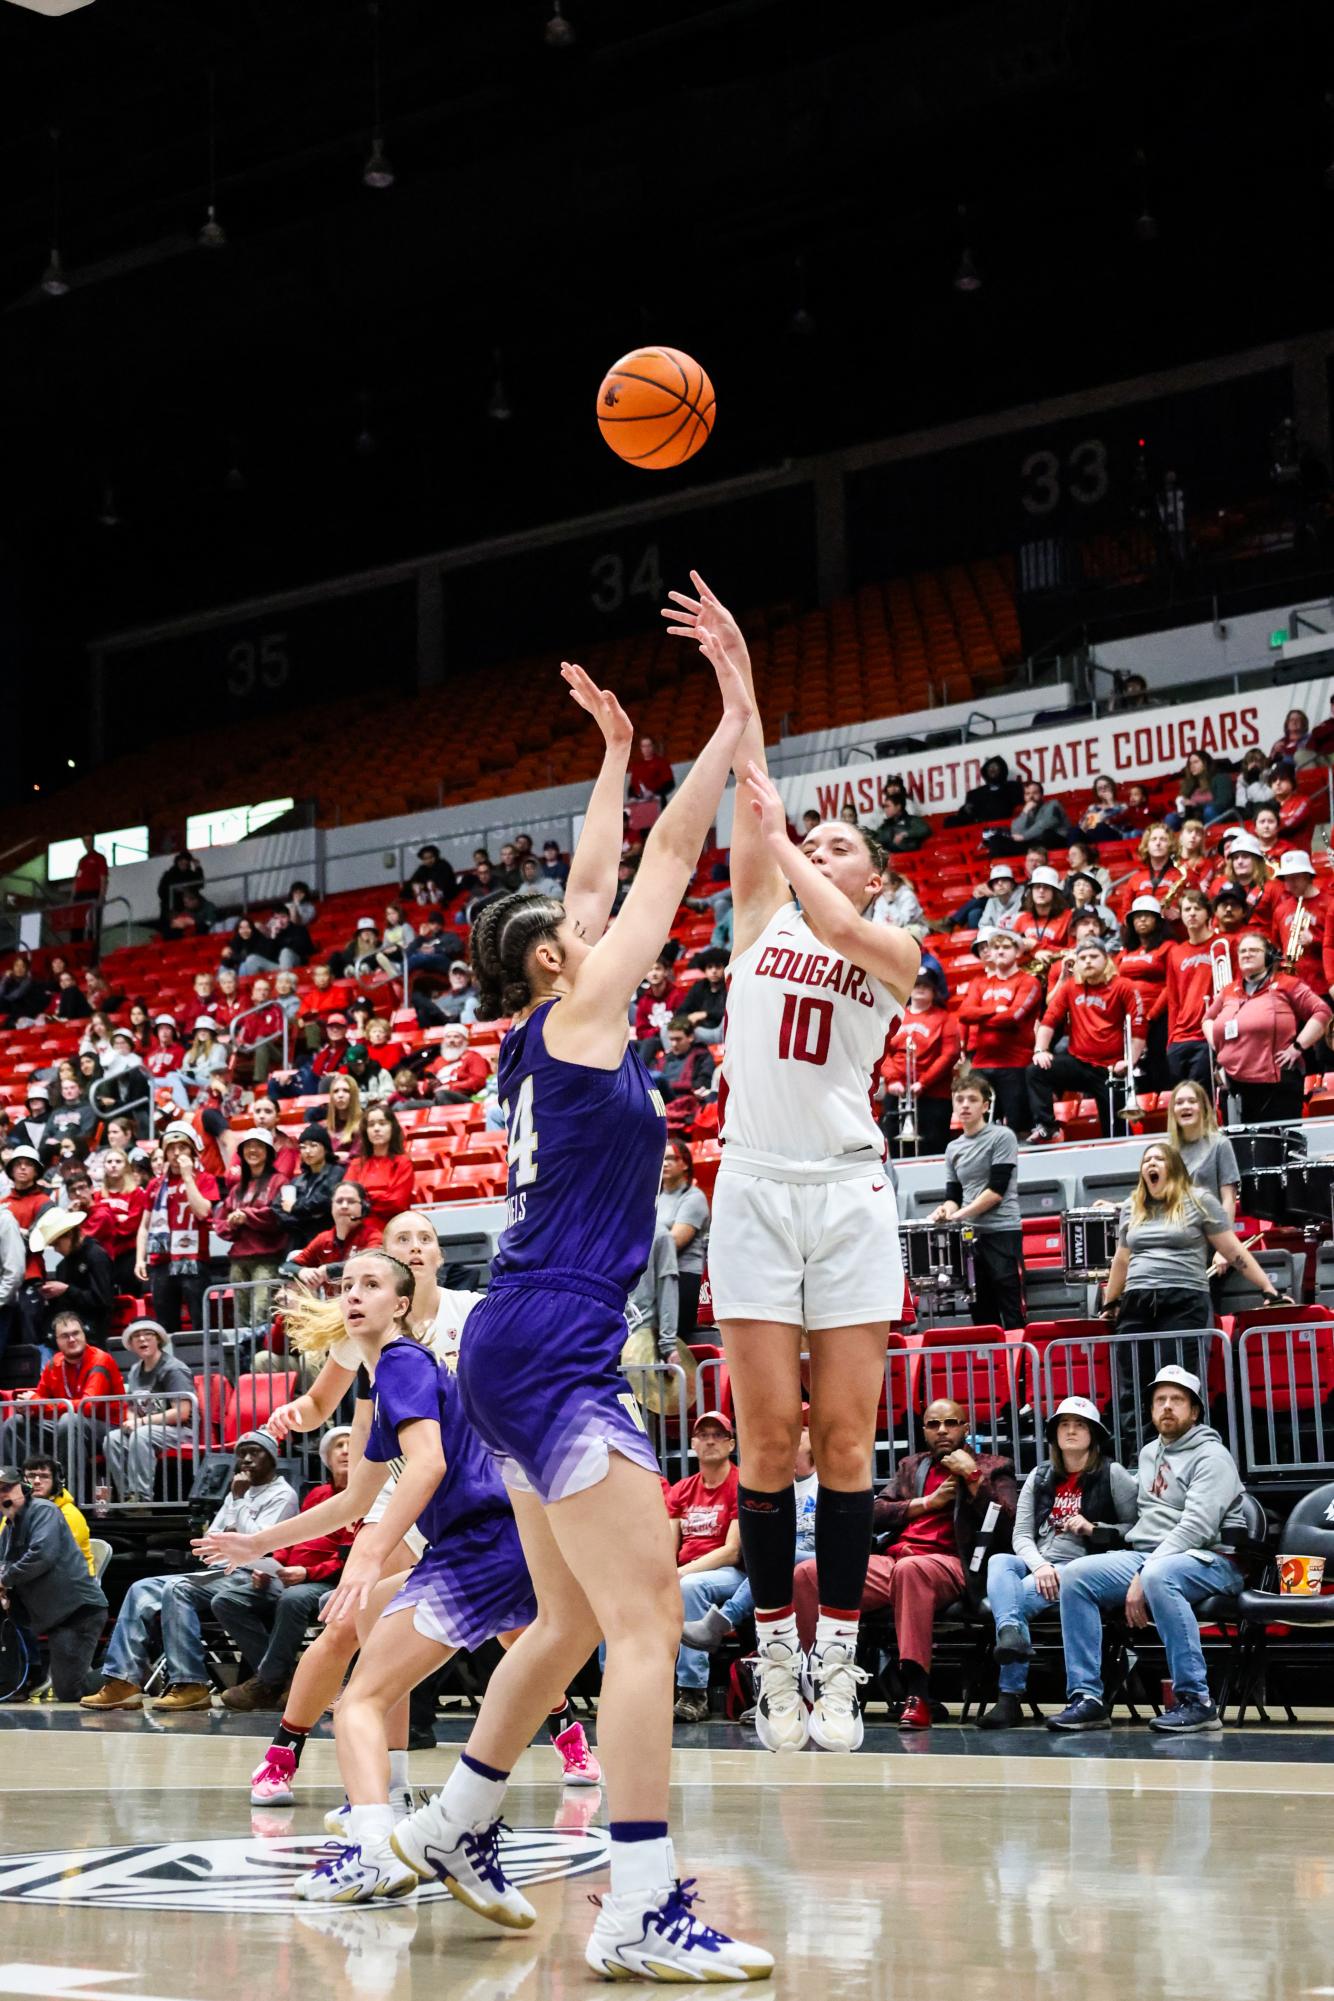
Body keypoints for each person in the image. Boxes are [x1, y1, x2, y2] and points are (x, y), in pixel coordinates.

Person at [390, 647, 773, 1978]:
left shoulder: (535, 1036)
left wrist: (613, 751)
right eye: (567, 921)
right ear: (552, 955)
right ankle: (638, 1904)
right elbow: (660, 866)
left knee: (560, 1624)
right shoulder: (585, 1014)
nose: (586, 917)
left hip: (510, 1331)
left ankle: (451, 1819)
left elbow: (603, 874)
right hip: (551, 1334)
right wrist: (728, 722)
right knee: (645, 1620)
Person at [664, 572, 918, 1763]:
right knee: (766, 1445)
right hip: (755, 1187)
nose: (817, 844)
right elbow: (749, 778)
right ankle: (775, 1653)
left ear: (872, 873)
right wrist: (736, 672)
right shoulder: (761, 917)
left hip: (851, 1194)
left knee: (847, 1446)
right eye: (809, 836)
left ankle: (839, 1667)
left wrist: (788, 843)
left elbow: (820, 889)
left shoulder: (888, 943)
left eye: (842, 842)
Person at [198, 1252, 538, 1905]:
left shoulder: (405, 1361)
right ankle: (457, 1832)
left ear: (402, 1305)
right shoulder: (386, 1384)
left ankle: (376, 1850)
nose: (353, 1294)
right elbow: (355, 1500)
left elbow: (430, 1464)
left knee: (359, 1700)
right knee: (377, 1652)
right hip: (497, 1544)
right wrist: (258, 1543)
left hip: (480, 1543)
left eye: (372, 1284)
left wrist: (370, 1552)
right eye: (346, 1284)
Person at [1047, 1366, 1250, 1735]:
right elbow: (1135, 1510)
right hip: (1149, 1556)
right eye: (1160, 1400)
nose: (1167, 1407)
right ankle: (1088, 1699)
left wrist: (1145, 1572)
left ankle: (1197, 1701)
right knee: (1074, 1575)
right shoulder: (1149, 1452)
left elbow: (1197, 1528)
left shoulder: (1212, 1457)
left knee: (1159, 1575)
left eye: (1177, 1400)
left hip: (1213, 1558)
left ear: (1195, 1411)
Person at [792, 1399, 1017, 1730]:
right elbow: (876, 1512)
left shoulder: (994, 1466)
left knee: (911, 1571)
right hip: (896, 1560)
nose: (942, 1430)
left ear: (966, 1428)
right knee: (807, 1574)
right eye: (933, 1424)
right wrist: (926, 1503)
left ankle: (917, 1694)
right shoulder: (912, 1466)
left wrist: (973, 1478)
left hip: (952, 1564)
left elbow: (1008, 1526)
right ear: (924, 1431)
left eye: (951, 1423)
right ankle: (813, 1684)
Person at [82, 1432, 299, 1712]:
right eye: (241, 1452)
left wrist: (239, 1502)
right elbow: (215, 1536)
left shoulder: (283, 1494)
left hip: (255, 1574)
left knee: (178, 1588)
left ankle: (190, 1683)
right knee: (141, 1588)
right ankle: (122, 1681)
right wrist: (235, 1517)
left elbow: (257, 1544)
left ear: (272, 1458)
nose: (246, 1459)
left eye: (254, 1452)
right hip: (220, 1570)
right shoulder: (240, 1489)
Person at [979, 1397, 1139, 1729]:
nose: (1070, 1430)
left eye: (1079, 1425)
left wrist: (1094, 1529)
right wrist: (1039, 1566)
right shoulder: (1040, 1476)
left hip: (1081, 1567)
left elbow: (1136, 1529)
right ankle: (1011, 1634)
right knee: (999, 1561)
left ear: (1094, 1434)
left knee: (1012, 1599)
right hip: (1041, 1563)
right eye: (1064, 1424)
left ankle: (1009, 1698)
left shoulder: (1114, 1474)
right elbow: (1021, 1535)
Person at [216, 1424, 357, 1711]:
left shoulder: (364, 1498)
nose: (344, 1451)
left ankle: (266, 1681)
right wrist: (272, 1564)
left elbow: (350, 1557)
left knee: (293, 1598)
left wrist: (307, 1573)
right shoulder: (316, 1495)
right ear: (327, 1459)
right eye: (338, 1447)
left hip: (330, 1580)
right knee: (227, 1601)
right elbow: (293, 1536)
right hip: (290, 1575)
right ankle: (282, 1677)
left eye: (350, 1445)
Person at [1100, 1142, 1290, 1337]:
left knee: (1177, 1366)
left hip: (1183, 1299)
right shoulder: (1132, 1206)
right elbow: (1122, 1258)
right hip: (1136, 1299)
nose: (1151, 1163)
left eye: (1159, 1159)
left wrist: (1268, 1289)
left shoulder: (1199, 1201)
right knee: (1133, 1365)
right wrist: (1110, 1302)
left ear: (1174, 1168)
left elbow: (1232, 1249)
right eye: (1147, 1160)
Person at [681, 1429, 818, 1658]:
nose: (793, 1431)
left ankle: (723, 1621)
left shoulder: (827, 1482)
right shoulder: (780, 1487)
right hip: (777, 1565)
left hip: (816, 1560)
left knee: (776, 1556)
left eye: (803, 1428)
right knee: (772, 1559)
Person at [0, 1465, 107, 1700]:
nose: (3, 1494)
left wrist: (4, 1580)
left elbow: (42, 1555)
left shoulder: (43, 1511)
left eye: (7, 1488)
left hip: (78, 1611)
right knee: (66, 1688)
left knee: (70, 1691)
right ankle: (22, 1680)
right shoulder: (10, 1527)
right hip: (52, 1615)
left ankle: (131, 1671)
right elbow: (4, 1564)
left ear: (24, 1488)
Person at [1203, 930, 1330, 1124]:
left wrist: (1297, 1048)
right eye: (1243, 951)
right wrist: (1218, 1047)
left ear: (1269, 955)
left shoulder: (1286, 984)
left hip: (1276, 1088)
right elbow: (1207, 1019)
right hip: (1234, 1087)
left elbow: (1322, 1012)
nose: (1247, 954)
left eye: (1254, 950)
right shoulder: (1229, 990)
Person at [929, 1070, 1024, 1329]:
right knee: (981, 1313)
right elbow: (953, 1197)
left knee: (1011, 1311)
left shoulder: (1002, 1136)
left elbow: (996, 1190)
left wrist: (958, 1215)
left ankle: (1022, 1370)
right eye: (959, 1099)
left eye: (971, 1099)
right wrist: (944, 1211)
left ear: (985, 1105)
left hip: (1002, 1232)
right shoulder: (953, 1148)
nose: (965, 1105)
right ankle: (994, 1369)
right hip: (970, 1238)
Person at [1026, 937, 1145, 1142]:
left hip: (1111, 1068)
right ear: (1077, 963)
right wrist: (1040, 1050)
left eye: (1093, 956)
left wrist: (1129, 1061)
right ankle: (1047, 1127)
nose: (1088, 961)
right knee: (1036, 1071)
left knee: (1116, 1132)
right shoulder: (1070, 987)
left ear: (1106, 959)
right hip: (1078, 1062)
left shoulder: (1124, 986)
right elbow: (1049, 1020)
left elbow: (1139, 1027)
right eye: (1083, 958)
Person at [0, 1311, 125, 1501]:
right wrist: (27, 1407)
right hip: (67, 1425)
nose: (72, 1339)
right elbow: (40, 1398)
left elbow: (87, 1406)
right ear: (56, 1340)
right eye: (65, 1336)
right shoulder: (54, 1364)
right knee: (14, 1423)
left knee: (69, 1421)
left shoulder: (101, 1360)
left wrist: (38, 1405)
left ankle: (65, 1496)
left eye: (76, 1333)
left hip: (107, 1427)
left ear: (85, 1334)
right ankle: (17, 1493)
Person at [668, 1412, 742, 1723]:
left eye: (718, 1435)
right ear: (693, 1444)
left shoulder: (741, 1483)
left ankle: (692, 1692)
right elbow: (667, 1547)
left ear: (732, 1444)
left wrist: (683, 1572)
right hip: (684, 1569)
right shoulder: (682, 1489)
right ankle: (614, 1684)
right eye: (703, 1435)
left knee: (689, 1586)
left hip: (730, 1575)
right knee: (625, 1590)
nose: (710, 1440)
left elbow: (732, 1551)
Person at [134, 1122, 221, 1336]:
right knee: (165, 1326)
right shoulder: (155, 1185)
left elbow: (202, 1212)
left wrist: (187, 1177)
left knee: (201, 1321)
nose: (176, 1153)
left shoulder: (205, 1179)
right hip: (161, 1262)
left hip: (193, 1261)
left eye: (181, 1147)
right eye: (171, 1149)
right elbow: (144, 1226)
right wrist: (139, 1259)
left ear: (192, 1149)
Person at [955, 928, 1040, 1133]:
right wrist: (994, 1010)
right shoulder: (979, 983)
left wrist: (981, 1017)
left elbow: (1013, 1017)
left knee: (1017, 1125)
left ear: (1018, 953)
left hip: (1014, 1063)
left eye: (1006, 947)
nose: (1000, 951)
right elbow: (964, 1014)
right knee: (974, 1121)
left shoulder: (1029, 982)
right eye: (995, 947)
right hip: (982, 1062)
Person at [104, 1318, 197, 1501]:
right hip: (148, 1428)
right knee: (112, 1439)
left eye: (148, 1334)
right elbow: (132, 1406)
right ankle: (127, 1498)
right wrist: (131, 1421)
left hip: (181, 1431)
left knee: (142, 1435)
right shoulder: (134, 1371)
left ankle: (142, 1497)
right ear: (131, 1344)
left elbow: (181, 1413)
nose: (142, 1339)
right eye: (136, 1336)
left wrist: (140, 1423)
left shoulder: (173, 1369)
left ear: (159, 1339)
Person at [879, 967, 960, 1158]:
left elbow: (949, 1054)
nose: (920, 988)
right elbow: (881, 1051)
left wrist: (923, 1082)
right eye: (916, 984)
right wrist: (892, 1080)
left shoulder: (945, 1019)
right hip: (897, 1093)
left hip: (933, 1096)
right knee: (895, 1145)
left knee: (933, 1145)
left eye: (926, 985)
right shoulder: (894, 1016)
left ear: (934, 990)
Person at [29, 1204, 115, 1346]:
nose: (56, 1250)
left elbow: (103, 1301)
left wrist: (66, 1290)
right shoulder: (63, 1265)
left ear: (69, 1235)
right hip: (67, 1332)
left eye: (57, 1244)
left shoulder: (95, 1256)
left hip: (92, 1334)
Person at [1164, 888, 1223, 1087]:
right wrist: (1170, 1040)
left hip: (1208, 1033)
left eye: (1197, 908)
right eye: (1187, 909)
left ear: (1208, 913)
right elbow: (1173, 999)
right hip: (1180, 1036)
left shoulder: (1223, 944)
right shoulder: (1175, 952)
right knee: (1182, 1096)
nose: (1192, 913)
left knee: (1203, 1094)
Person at [657, 1139, 709, 1342]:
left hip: (684, 1276)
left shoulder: (693, 1197)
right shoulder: (655, 1197)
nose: (664, 1163)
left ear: (685, 1164)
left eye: (671, 1158)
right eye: (662, 1158)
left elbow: (674, 1242)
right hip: (657, 1276)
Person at [1166, 1083, 1239, 1225]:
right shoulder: (1168, 1150)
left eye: (1192, 1101)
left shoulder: (1220, 1144)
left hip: (1212, 1231)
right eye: (1179, 1103)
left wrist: (1225, 1239)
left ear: (1203, 1108)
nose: (1185, 1106)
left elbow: (1228, 1199)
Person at [290, 1180, 382, 1281]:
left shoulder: (373, 1236)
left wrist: (329, 1270)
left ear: (364, 1208)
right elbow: (288, 1266)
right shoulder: (323, 1238)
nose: (344, 1206)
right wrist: (301, 1271)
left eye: (351, 1201)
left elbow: (372, 1262)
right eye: (339, 1201)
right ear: (332, 1207)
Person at [18, 1451, 94, 1573]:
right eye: (31, 1476)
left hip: (69, 1583)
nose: (37, 1481)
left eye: (44, 1476)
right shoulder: (16, 1511)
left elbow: (47, 1559)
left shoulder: (69, 1514)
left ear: (56, 1481)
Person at [273, 1125, 346, 1250]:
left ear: (326, 1149)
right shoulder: (297, 1180)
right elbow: (277, 1207)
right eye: (303, 1147)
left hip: (328, 1239)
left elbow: (324, 1201)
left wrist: (295, 1207)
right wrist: (306, 1218)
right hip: (298, 1241)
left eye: (313, 1145)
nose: (307, 1151)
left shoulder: (337, 1172)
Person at [345, 1105, 414, 1225]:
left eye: (382, 1123)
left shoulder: (403, 1163)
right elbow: (347, 1200)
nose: (376, 1129)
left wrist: (364, 1200)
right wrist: (381, 1196)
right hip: (360, 1231)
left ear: (392, 1128)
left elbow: (397, 1203)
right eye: (371, 1125)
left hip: (394, 1228)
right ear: (366, 1131)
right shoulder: (356, 1164)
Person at [944, 753, 1024, 826]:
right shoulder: (974, 794)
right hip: (980, 829)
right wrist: (965, 809)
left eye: (995, 767)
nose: (992, 769)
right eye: (989, 767)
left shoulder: (1013, 788)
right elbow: (966, 814)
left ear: (1002, 770)